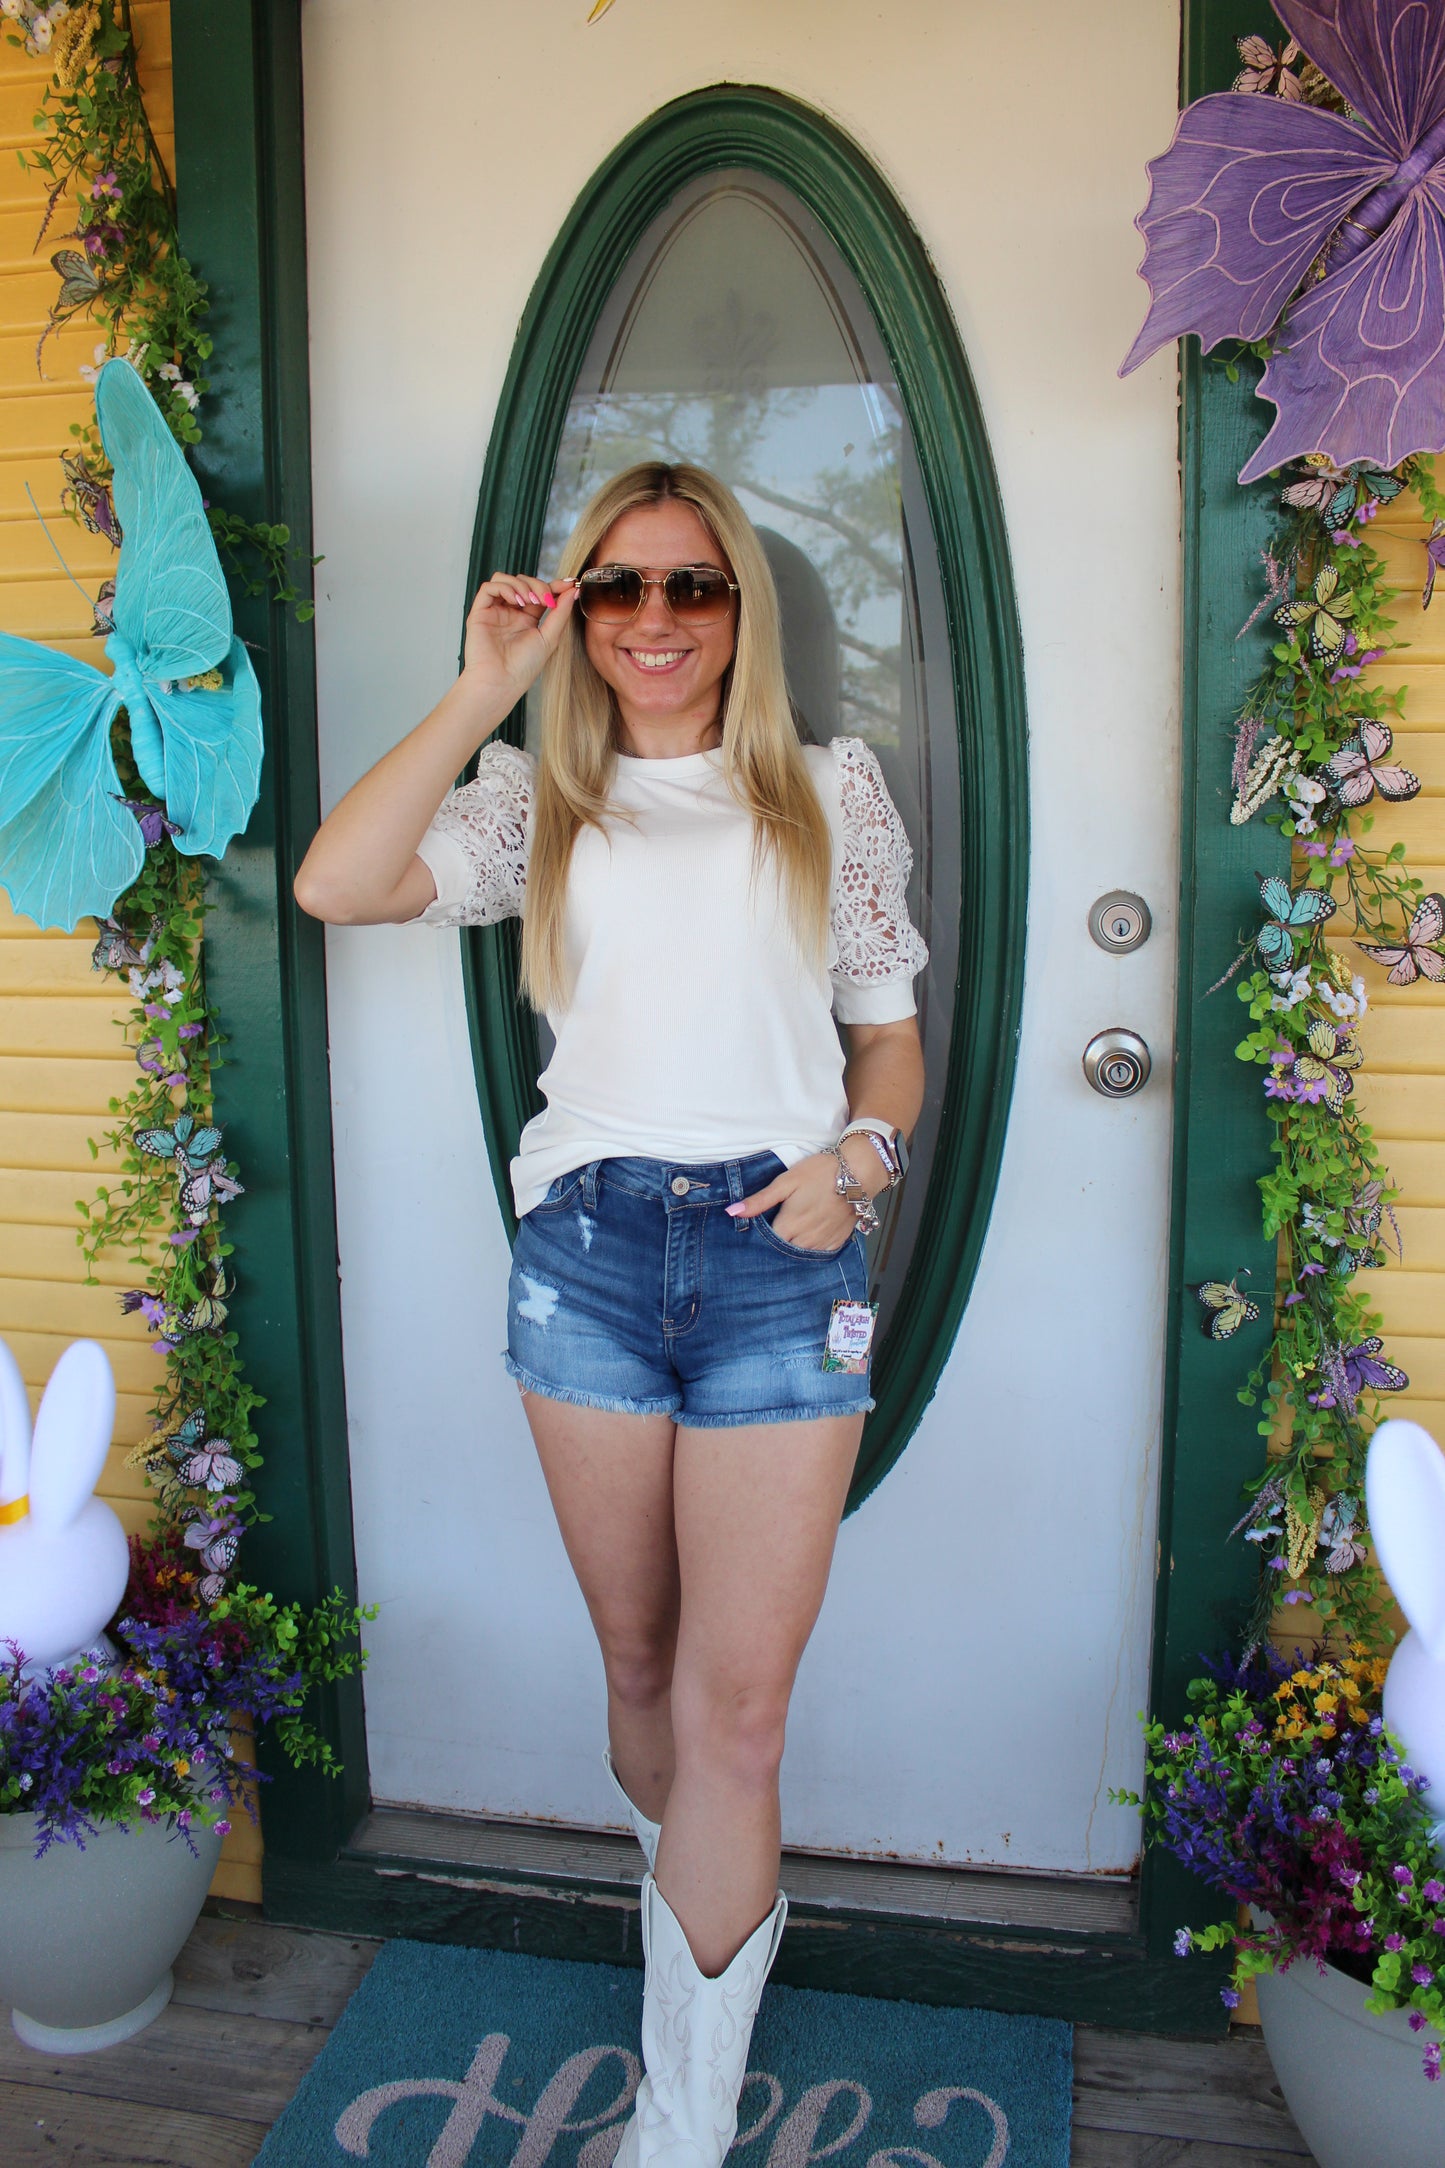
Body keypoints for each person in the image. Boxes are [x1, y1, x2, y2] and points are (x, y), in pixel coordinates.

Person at [295, 462, 927, 2168]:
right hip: (584, 1256)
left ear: (741, 611)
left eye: (696, 588)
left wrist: (858, 1163)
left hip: (776, 1262)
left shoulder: (823, 788)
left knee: (739, 1708)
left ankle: (679, 2121)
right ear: (580, 609)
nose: (659, 621)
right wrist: (486, 683)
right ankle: (690, 1930)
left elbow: (887, 1041)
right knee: (640, 1657)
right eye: (622, 589)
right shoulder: (535, 799)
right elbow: (337, 886)